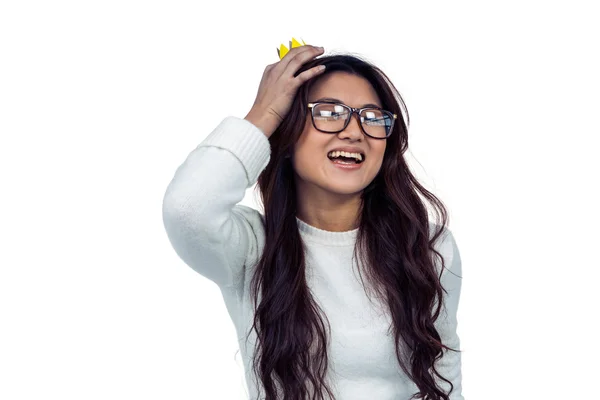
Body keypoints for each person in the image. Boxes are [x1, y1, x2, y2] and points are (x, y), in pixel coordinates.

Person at [162, 44, 464, 400]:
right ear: (287, 136)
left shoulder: (427, 247)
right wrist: (265, 110)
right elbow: (187, 207)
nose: (354, 131)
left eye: (372, 117)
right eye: (330, 112)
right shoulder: (251, 247)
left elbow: (443, 374)